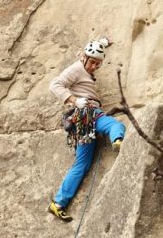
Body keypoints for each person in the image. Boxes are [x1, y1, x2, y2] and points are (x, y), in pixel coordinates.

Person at [48, 38, 126, 222]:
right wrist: (75, 100)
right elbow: (54, 85)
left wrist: (103, 42)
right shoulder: (76, 68)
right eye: (92, 62)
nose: (94, 67)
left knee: (82, 164)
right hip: (87, 113)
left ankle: (58, 203)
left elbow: (94, 49)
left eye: (98, 64)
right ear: (84, 57)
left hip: (84, 122)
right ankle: (118, 142)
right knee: (116, 125)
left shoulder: (85, 67)